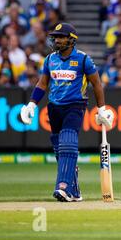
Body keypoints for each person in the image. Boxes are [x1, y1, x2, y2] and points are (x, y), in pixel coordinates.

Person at [20, 22, 114, 202]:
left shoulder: (83, 59)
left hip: (75, 105)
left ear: (71, 40)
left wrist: (102, 109)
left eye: (61, 37)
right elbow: (42, 83)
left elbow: (96, 84)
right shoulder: (50, 59)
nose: (56, 40)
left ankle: (62, 186)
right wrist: (31, 104)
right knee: (58, 145)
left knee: (68, 140)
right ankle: (75, 192)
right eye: (55, 37)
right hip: (54, 106)